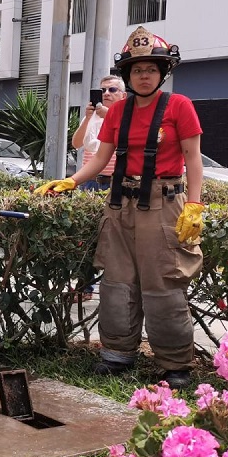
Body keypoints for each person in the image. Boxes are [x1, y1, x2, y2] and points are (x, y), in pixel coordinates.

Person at [35, 26, 204, 389]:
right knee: (116, 282)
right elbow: (100, 159)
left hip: (164, 203)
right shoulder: (117, 112)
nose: (145, 75)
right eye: (138, 69)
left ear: (163, 72)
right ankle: (117, 354)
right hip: (119, 204)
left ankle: (175, 364)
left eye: (152, 69)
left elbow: (194, 160)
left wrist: (194, 205)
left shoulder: (180, 107)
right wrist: (71, 180)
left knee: (164, 283)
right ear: (128, 74)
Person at [70, 74, 126, 301]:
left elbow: (130, 141)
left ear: (123, 95)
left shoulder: (126, 116)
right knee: (87, 236)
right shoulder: (94, 117)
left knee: (116, 238)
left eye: (112, 90)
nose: (106, 94)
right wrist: (88, 118)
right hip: (91, 183)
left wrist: (111, 116)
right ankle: (85, 287)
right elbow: (76, 143)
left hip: (116, 183)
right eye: (103, 90)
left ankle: (116, 289)